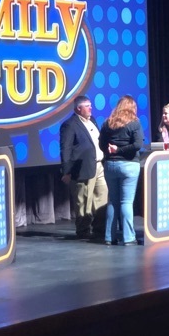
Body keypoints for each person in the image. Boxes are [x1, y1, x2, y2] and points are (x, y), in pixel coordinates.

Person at [59, 95, 108, 240]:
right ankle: (83, 230)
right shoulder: (69, 125)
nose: (91, 108)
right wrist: (66, 171)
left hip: (99, 165)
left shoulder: (92, 120)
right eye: (87, 106)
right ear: (78, 108)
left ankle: (100, 228)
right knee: (84, 201)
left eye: (90, 105)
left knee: (102, 196)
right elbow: (66, 149)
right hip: (83, 168)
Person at [99, 95, 143, 246]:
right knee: (126, 202)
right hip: (129, 165)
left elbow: (101, 145)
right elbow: (137, 145)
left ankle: (109, 237)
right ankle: (129, 238)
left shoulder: (108, 123)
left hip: (110, 165)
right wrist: (120, 149)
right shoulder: (135, 123)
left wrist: (111, 150)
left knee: (113, 201)